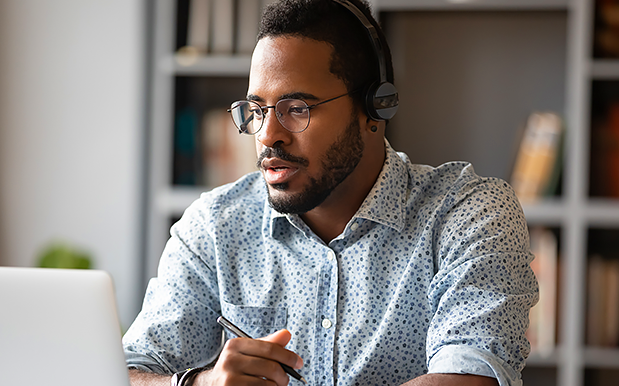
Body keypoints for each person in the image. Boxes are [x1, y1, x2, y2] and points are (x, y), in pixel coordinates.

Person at [123, 1, 538, 385]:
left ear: (375, 109)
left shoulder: (468, 214)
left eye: (297, 108)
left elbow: (467, 377)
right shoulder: (215, 225)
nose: (268, 135)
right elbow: (126, 371)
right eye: (257, 110)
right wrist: (200, 383)